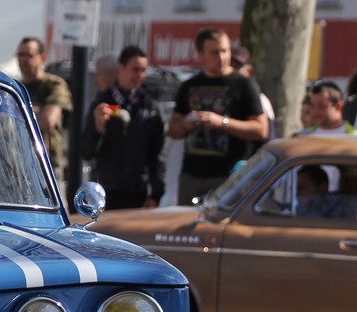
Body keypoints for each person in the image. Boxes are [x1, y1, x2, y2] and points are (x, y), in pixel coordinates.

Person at [168, 27, 269, 205]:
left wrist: (222, 122)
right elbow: (173, 130)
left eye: (225, 51)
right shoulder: (189, 86)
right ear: (200, 55)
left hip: (229, 176)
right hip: (192, 175)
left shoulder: (244, 85)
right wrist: (185, 123)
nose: (222, 57)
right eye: (214, 52)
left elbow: (261, 129)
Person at [83, 45, 165, 209]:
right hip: (106, 190)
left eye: (143, 70)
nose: (139, 76)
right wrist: (98, 128)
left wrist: (156, 194)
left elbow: (157, 155)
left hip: (137, 191)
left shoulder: (150, 107)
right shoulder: (102, 103)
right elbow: (86, 151)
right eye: (135, 69)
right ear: (120, 67)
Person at [16, 37, 72, 187]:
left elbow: (47, 120)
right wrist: (35, 111)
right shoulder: (14, 88)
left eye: (29, 55)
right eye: (20, 55)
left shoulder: (54, 85)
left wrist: (17, 115)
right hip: (19, 163)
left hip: (47, 163)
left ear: (42, 57)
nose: (23, 60)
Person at [232, 43, 275, 142]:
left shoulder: (260, 100)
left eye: (237, 67)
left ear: (249, 71)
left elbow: (267, 140)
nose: (232, 71)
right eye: (229, 65)